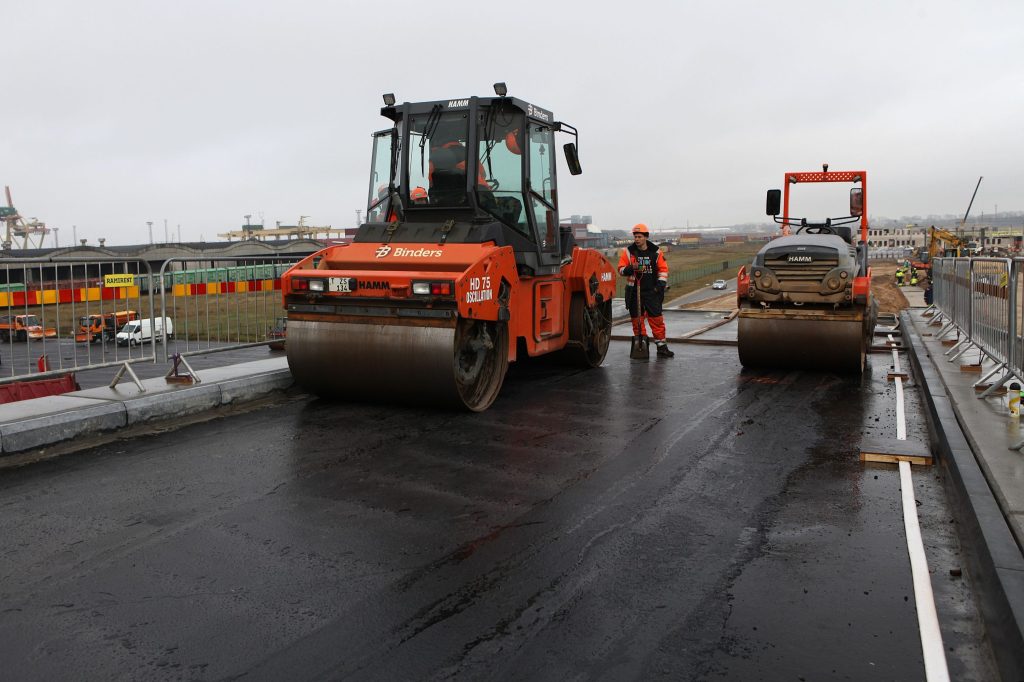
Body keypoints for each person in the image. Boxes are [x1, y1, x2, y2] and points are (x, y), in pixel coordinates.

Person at [618, 223, 673, 358]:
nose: (637, 239)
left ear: (646, 237)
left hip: (652, 292)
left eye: (640, 236)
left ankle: (661, 347)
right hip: (634, 292)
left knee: (656, 320)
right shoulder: (628, 252)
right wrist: (631, 268)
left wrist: (659, 286)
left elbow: (663, 270)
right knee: (637, 320)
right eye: (635, 236)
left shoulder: (656, 252)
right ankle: (642, 345)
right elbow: (620, 269)